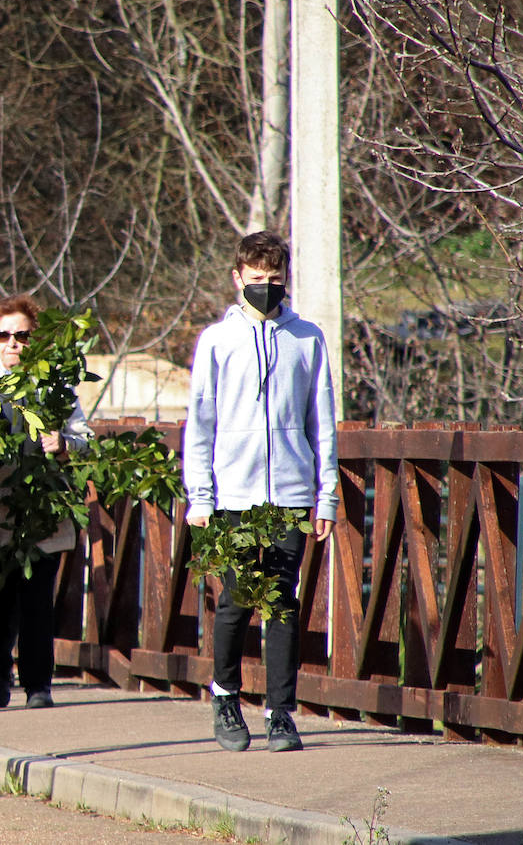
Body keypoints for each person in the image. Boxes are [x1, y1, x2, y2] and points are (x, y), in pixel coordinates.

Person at [183, 231, 338, 754]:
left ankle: (280, 712)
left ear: (285, 280)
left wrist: (327, 494)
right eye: (255, 281)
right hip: (234, 495)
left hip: (291, 494)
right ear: (237, 278)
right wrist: (200, 496)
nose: (265, 289)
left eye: (274, 281)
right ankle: (226, 695)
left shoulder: (308, 338)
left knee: (283, 604)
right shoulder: (217, 341)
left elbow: (323, 423)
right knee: (236, 599)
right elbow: (200, 422)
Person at [0, 294, 91, 713]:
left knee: (36, 600)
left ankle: (38, 684)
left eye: (22, 335)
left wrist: (63, 444)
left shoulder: (55, 385)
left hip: (41, 507)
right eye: (3, 335)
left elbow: (84, 439)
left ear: (36, 338)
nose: (12, 343)